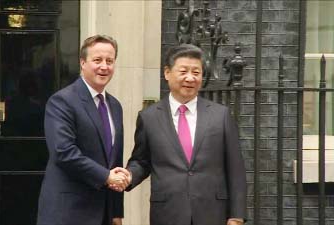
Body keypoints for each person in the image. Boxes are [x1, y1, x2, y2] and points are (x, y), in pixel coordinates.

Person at [124, 44, 247, 225]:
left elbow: (235, 169)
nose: (190, 78)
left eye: (196, 72)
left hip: (213, 214)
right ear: (167, 73)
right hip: (167, 214)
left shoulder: (220, 115)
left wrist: (237, 216)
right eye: (183, 71)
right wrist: (127, 176)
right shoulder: (149, 117)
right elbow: (142, 161)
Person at [37, 35, 130, 225]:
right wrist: (106, 177)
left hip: (103, 213)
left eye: (109, 61)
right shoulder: (62, 101)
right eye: (97, 60)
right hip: (69, 212)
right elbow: (63, 152)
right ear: (82, 63)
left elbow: (115, 160)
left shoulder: (115, 106)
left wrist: (116, 212)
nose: (104, 66)